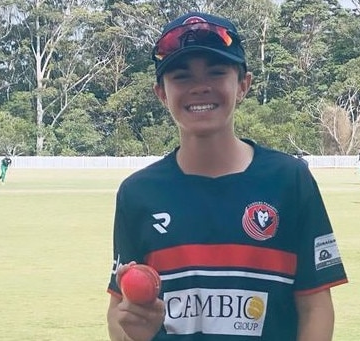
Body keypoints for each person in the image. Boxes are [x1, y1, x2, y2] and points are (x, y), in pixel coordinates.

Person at [106, 12, 347, 341]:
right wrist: (135, 334)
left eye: (217, 72)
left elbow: (315, 306)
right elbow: (119, 310)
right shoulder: (137, 193)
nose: (200, 87)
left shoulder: (290, 180)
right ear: (161, 92)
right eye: (181, 76)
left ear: (243, 85)